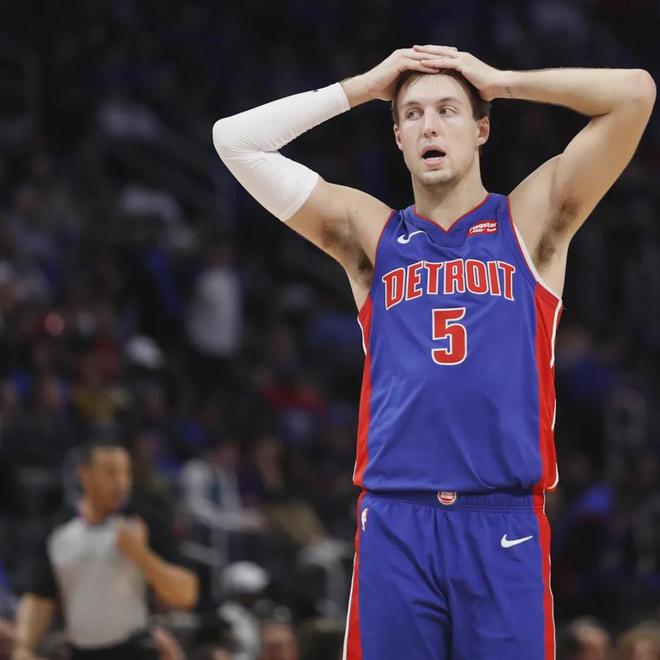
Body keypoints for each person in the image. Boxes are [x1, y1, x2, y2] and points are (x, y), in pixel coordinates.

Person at [212, 46, 655, 659]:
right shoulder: (373, 235)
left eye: (448, 110)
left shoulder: (527, 222)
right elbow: (235, 142)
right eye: (413, 114)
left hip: (502, 518)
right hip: (397, 521)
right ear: (397, 137)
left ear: (481, 129)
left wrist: (501, 81)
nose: (430, 126)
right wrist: (363, 87)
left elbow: (635, 93)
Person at [12, 438, 198, 660]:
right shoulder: (57, 530)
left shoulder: (145, 520)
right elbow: (40, 596)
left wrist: (141, 555)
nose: (121, 483)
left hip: (135, 650)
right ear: (84, 475)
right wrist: (23, 646)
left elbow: (186, 594)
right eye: (110, 473)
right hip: (82, 653)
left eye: (125, 472)